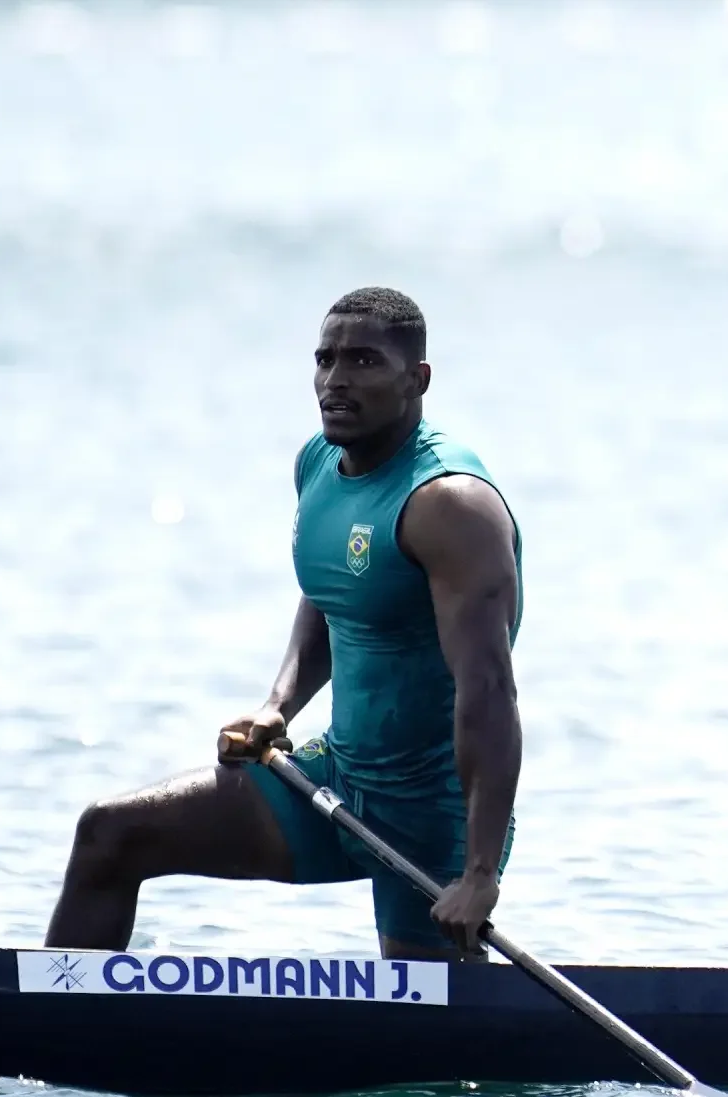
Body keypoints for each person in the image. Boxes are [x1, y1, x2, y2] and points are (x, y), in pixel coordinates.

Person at [43, 286, 524, 961]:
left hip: (433, 822)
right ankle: (56, 1024)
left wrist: (479, 875)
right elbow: (333, 591)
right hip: (338, 781)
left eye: (362, 362)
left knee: (443, 1042)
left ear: (417, 380)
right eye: (325, 360)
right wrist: (279, 704)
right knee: (110, 834)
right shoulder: (319, 464)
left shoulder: (451, 508)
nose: (335, 381)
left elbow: (490, 694)